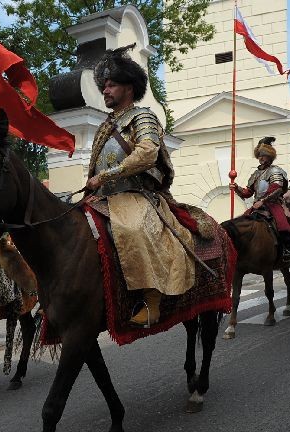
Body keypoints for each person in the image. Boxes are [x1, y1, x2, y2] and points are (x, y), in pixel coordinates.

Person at [86, 44, 195, 328]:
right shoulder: (105, 126)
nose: (105, 90)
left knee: (133, 229)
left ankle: (151, 302)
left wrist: (107, 175)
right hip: (103, 197)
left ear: (129, 88)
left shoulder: (142, 116)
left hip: (136, 195)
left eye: (112, 85)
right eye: (104, 86)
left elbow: (147, 153)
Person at [229, 137, 290, 262]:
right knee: (242, 222)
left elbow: (277, 189)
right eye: (259, 155)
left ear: (270, 156)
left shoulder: (275, 171)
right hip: (257, 206)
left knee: (282, 225)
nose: (261, 157)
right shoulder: (256, 174)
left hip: (273, 204)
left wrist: (263, 200)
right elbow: (247, 192)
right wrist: (236, 188)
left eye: (264, 155)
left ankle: (286, 250)